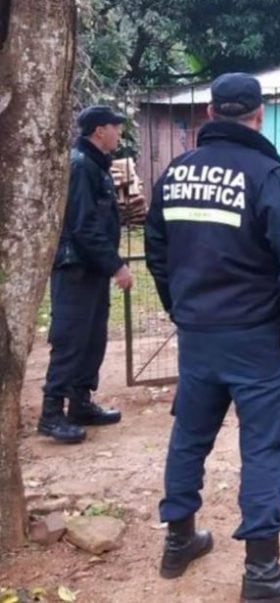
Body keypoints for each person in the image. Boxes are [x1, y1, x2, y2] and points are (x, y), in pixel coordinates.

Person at [145, 73, 280, 602]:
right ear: (260, 113)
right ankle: (263, 573)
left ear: (209, 112)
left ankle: (179, 541)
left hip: (199, 335)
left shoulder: (174, 175)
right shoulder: (270, 176)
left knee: (190, 437)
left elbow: (157, 251)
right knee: (265, 446)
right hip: (257, 340)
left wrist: (183, 309)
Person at [38, 105, 133, 444]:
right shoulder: (80, 165)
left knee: (92, 337)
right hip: (75, 267)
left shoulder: (95, 164)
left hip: (89, 267)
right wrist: (117, 265)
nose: (119, 134)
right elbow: (84, 226)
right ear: (98, 131)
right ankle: (51, 414)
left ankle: (80, 403)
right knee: (70, 339)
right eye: (114, 128)